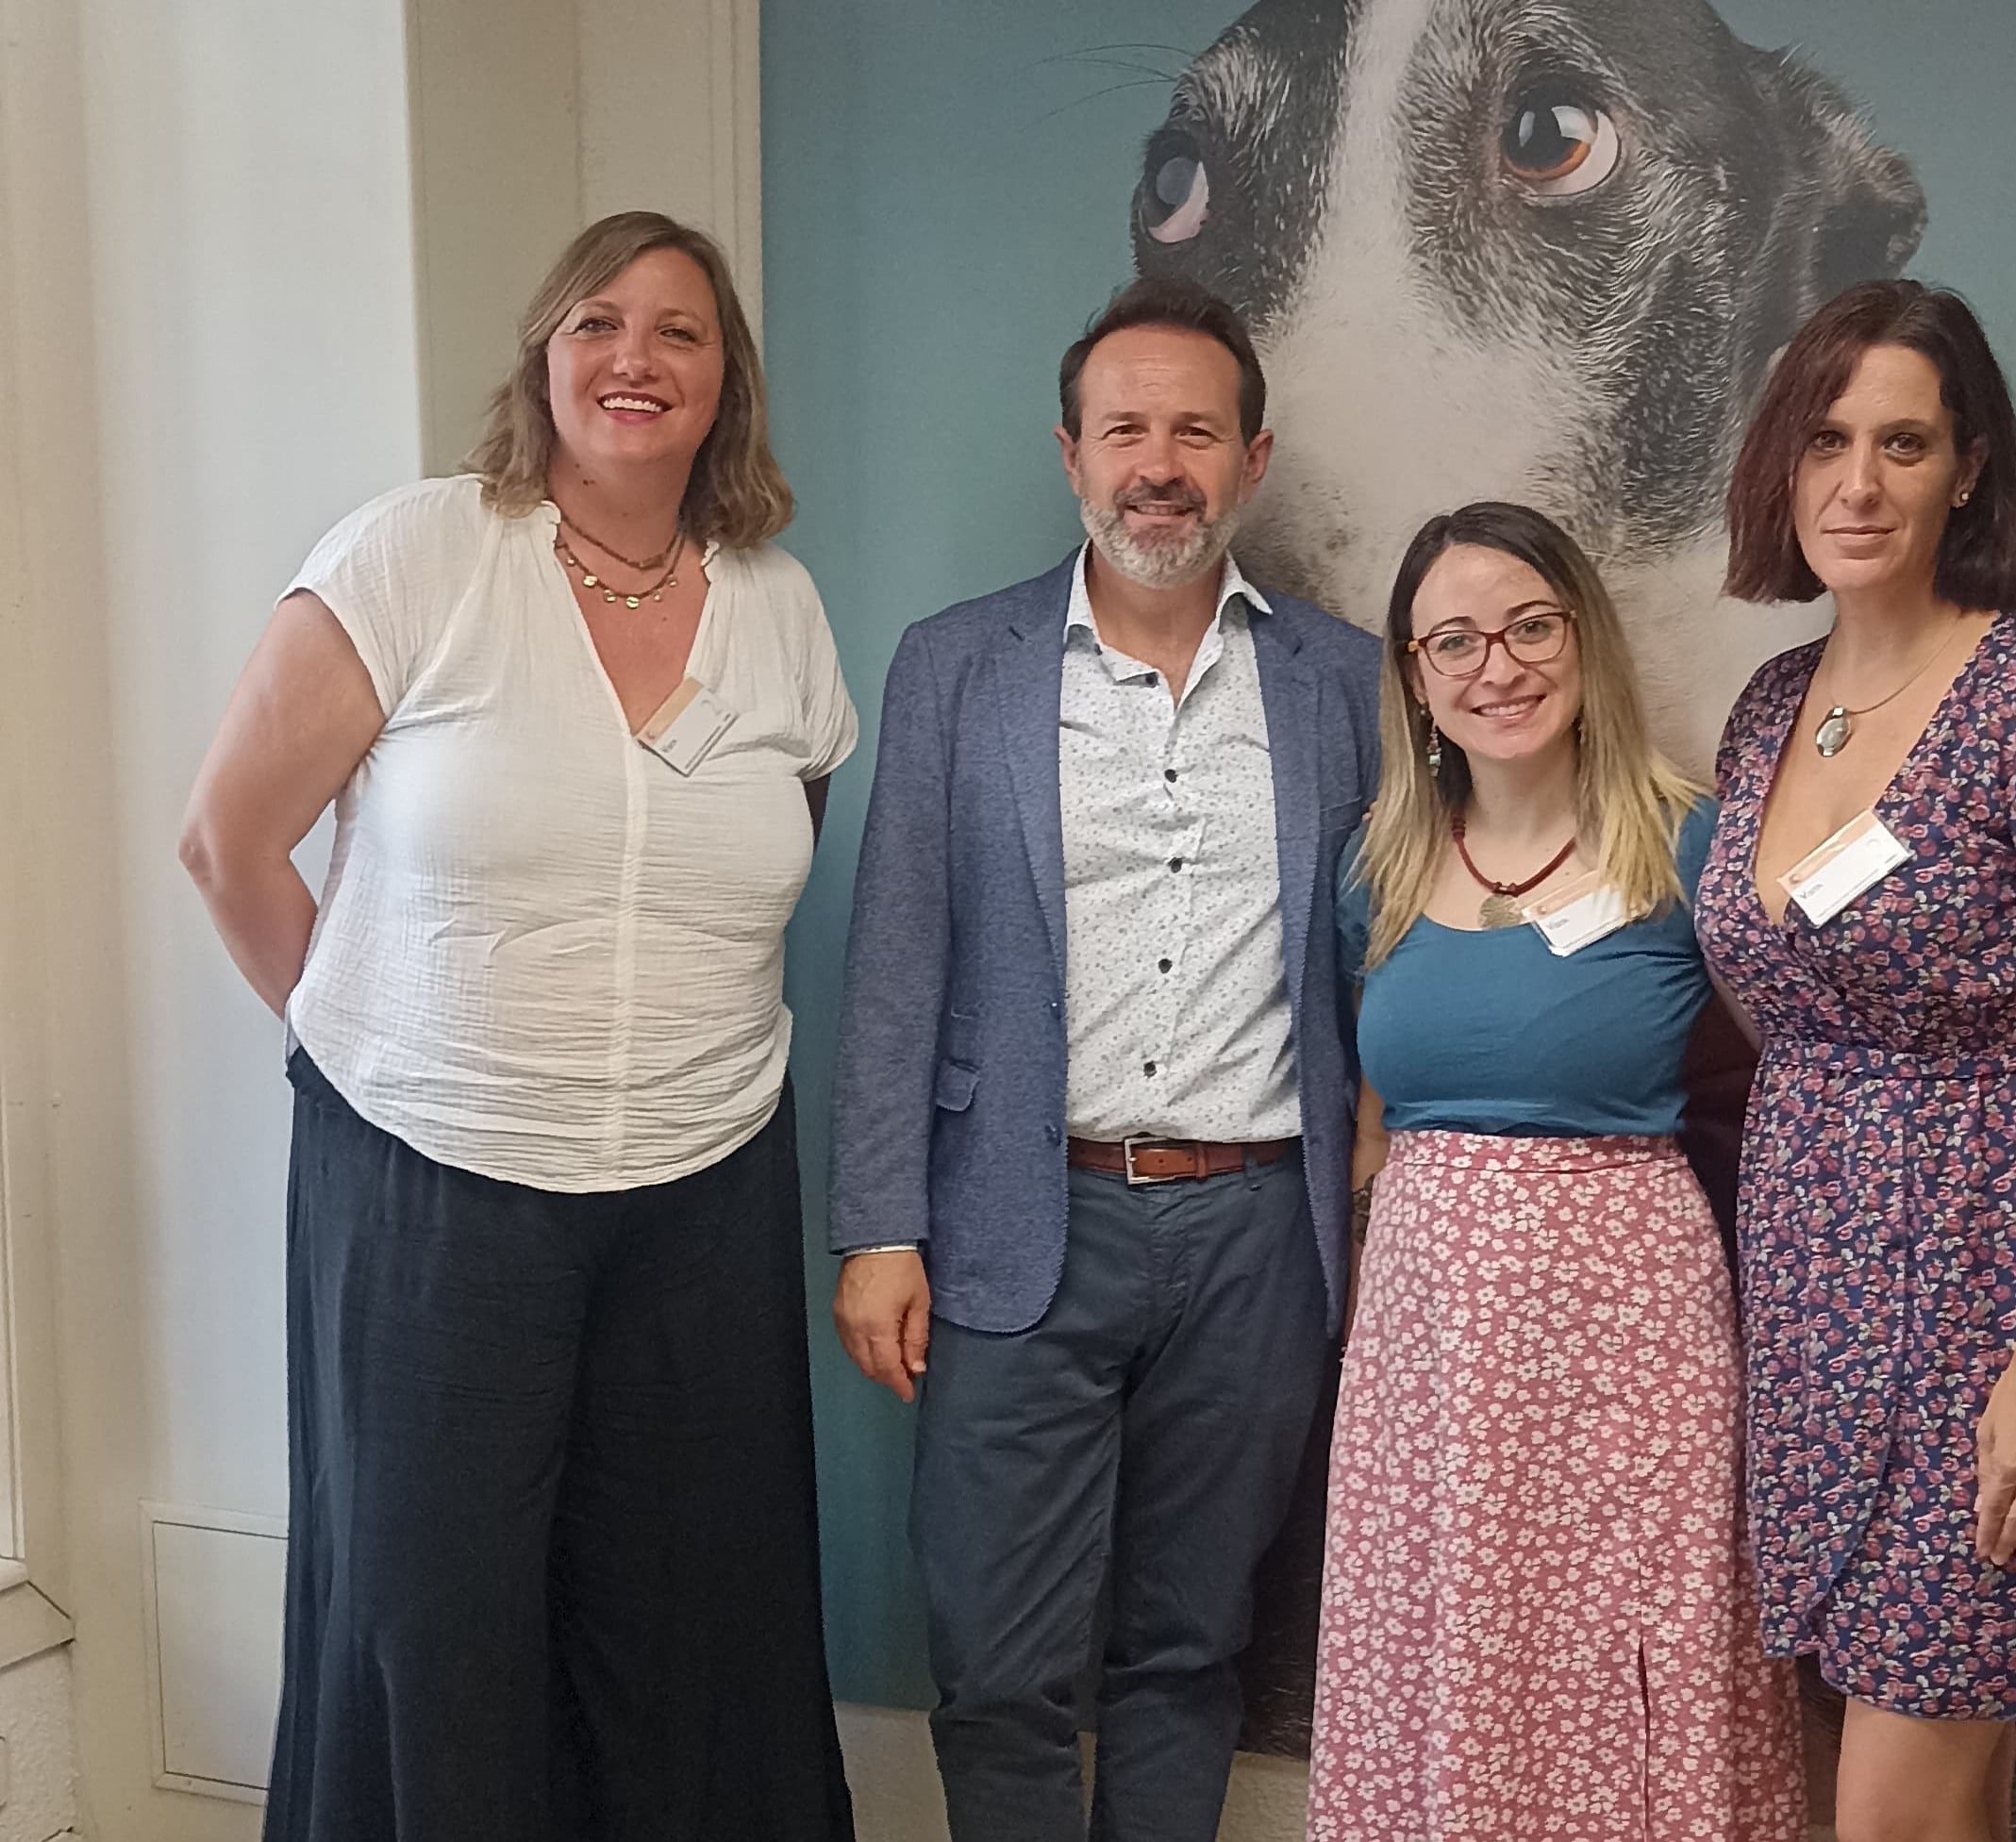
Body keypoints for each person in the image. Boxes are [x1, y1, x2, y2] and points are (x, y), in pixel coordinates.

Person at [177, 211, 858, 1842]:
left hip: (704, 1184)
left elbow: (775, 853)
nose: (637, 359)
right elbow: (228, 839)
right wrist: (372, 1042)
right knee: (437, 1617)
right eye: (599, 323)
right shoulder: (419, 555)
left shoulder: (779, 604)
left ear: (725, 381)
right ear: (544, 357)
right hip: (431, 1181)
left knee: (685, 1618)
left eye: (680, 331)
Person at [828, 275, 1380, 1842]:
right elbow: (896, 961)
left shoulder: (1343, 680)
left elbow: (1385, 947)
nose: (1160, 463)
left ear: (1252, 460)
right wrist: (879, 1227)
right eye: (1125, 427)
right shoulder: (960, 664)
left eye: (1195, 430)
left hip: (1259, 1235)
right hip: (1017, 1221)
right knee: (998, 1663)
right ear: (1068, 452)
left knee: (1191, 1648)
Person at [1695, 277, 2016, 1842]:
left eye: (1904, 443)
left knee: (1897, 1804)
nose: (1860, 482)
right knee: (1928, 1791)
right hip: (1811, 1305)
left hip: (1991, 1300)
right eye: (1828, 440)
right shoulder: (1771, 708)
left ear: (1967, 467)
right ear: (1785, 467)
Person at [1308, 501, 1802, 1841]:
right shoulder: (1379, 867)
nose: (1497, 665)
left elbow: (1802, 1075)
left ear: (1582, 636)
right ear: (1414, 675)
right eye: (1453, 639)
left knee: (1628, 1644)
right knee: (1448, 1641)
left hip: (1629, 1341)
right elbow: (1363, 1115)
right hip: (1432, 1349)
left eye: (1530, 625)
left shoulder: (1687, 842)